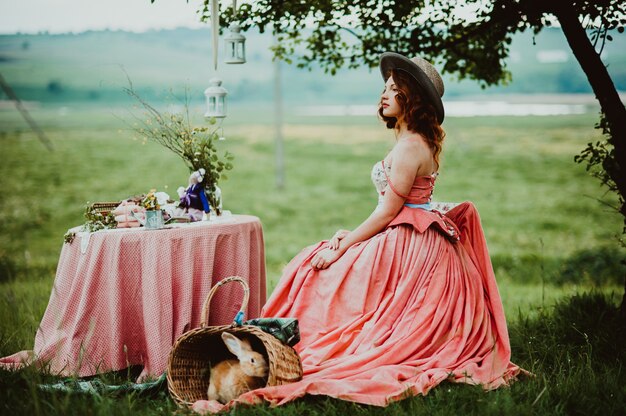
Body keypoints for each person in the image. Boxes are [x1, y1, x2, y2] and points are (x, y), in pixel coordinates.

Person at [233, 52, 523, 409]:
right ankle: (276, 341)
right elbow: (394, 206)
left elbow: (388, 212)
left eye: (394, 89)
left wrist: (341, 247)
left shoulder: (410, 146)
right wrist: (347, 234)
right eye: (385, 87)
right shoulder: (415, 142)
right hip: (411, 234)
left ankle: (290, 344)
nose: (384, 95)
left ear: (411, 99)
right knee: (317, 258)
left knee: (317, 266)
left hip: (410, 243)